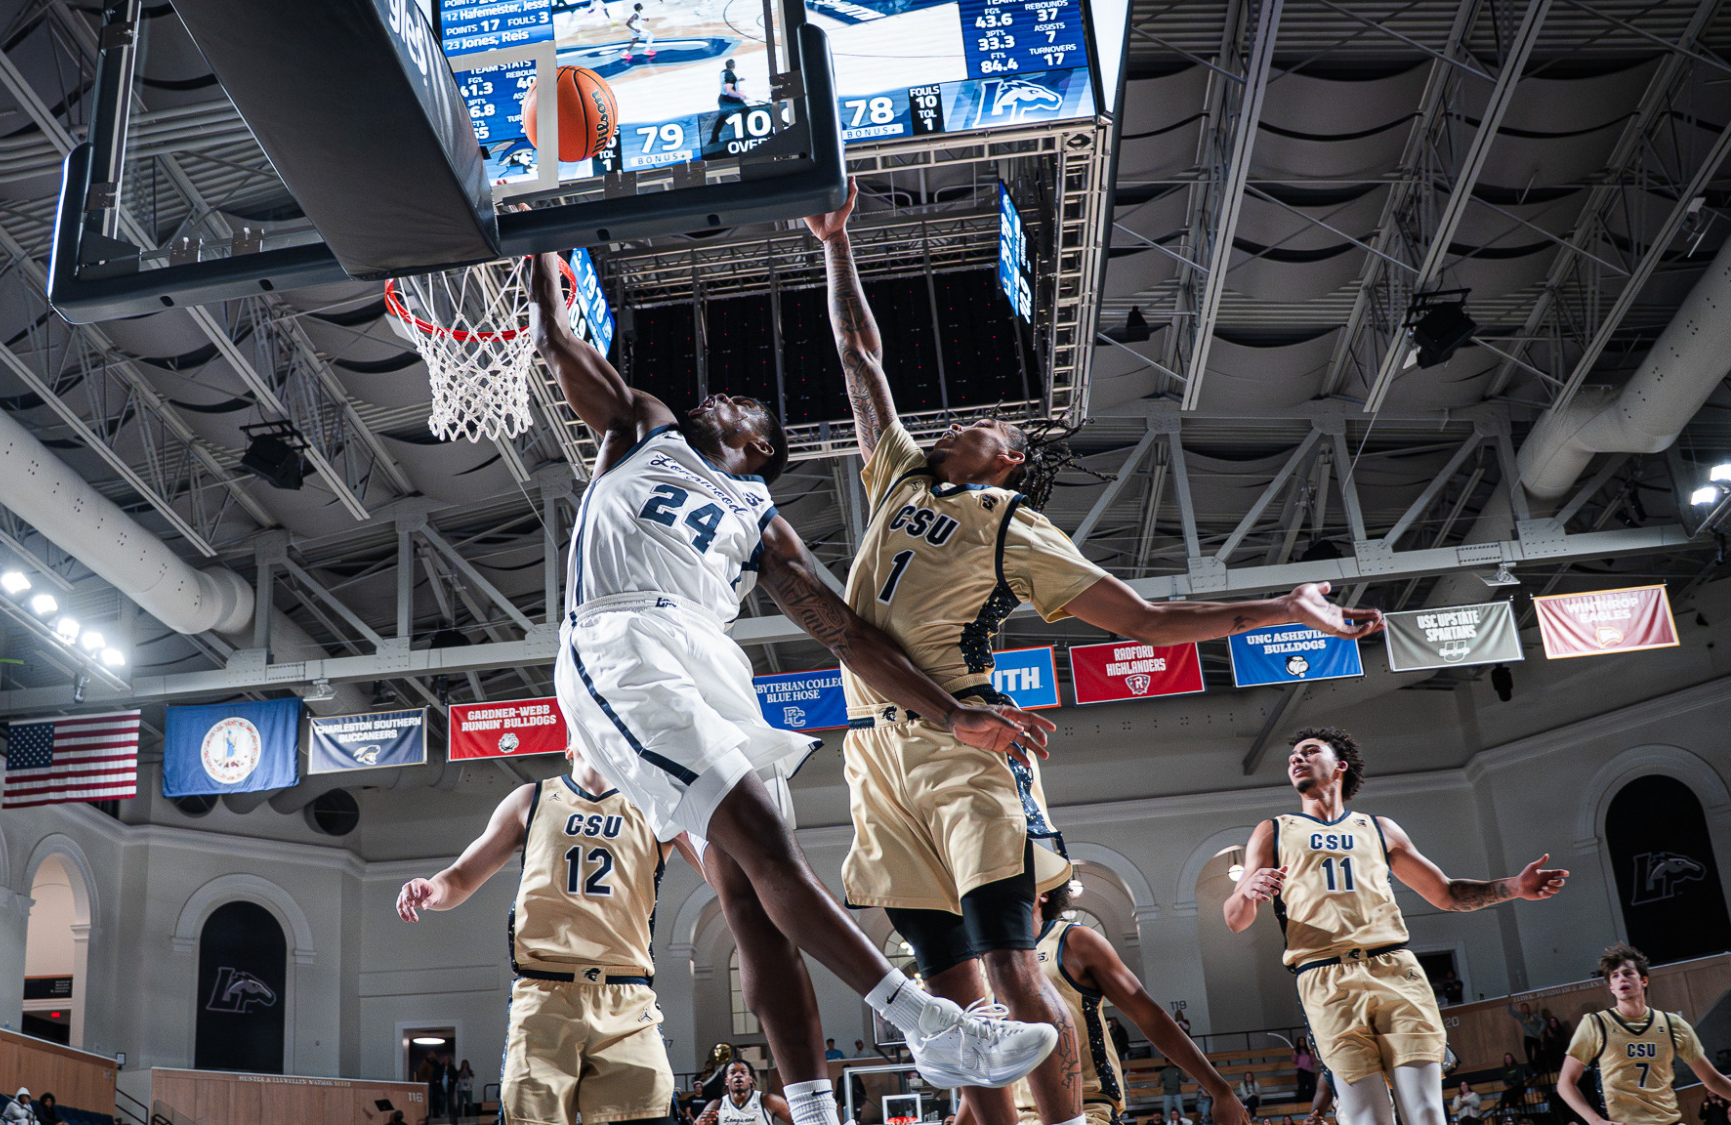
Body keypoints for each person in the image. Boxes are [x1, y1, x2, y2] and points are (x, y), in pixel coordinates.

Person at [801, 181, 1380, 1125]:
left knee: (1011, 966)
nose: (968, 420)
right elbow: (858, 355)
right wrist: (836, 244)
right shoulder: (899, 472)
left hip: (963, 752)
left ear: (1008, 459)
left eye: (991, 424)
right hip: (873, 758)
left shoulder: (1011, 525)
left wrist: (1282, 604)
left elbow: (1149, 622)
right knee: (957, 1014)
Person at [530, 252, 1062, 1124]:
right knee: (758, 831)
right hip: (621, 635)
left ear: (762, 444)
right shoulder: (647, 428)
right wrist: (543, 269)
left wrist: (951, 710)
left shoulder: (760, 519)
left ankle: (815, 1112)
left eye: (735, 405)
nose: (715, 400)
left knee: (756, 898)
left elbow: (847, 633)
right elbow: (560, 345)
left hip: (713, 658)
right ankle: (928, 1022)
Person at [1224, 729, 1568, 1125]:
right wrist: (1246, 892)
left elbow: (1447, 894)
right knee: (1366, 1116)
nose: (1295, 760)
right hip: (1324, 978)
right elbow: (1235, 920)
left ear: (1340, 766)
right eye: (1292, 758)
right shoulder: (1274, 830)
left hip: (1395, 970)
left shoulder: (1380, 829)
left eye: (1309, 751)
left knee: (1425, 1112)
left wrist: (1515, 887)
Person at [398, 749, 696, 1125]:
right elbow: (458, 878)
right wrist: (432, 889)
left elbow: (720, 870)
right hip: (544, 995)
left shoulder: (656, 804)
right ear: (570, 744)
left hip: (626, 997)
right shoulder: (531, 798)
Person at [1001, 888, 1244, 1125]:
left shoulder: (1074, 942)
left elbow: (1150, 1016)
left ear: (1043, 893)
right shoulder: (988, 964)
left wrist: (1219, 1090)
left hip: (1086, 1108)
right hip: (1018, 1113)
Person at [1556, 943, 1731, 1125]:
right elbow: (1565, 1083)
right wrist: (1595, 1120)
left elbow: (1712, 1080)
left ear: (1644, 980)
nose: (1621, 979)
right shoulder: (1595, 1024)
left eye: (1628, 973)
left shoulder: (1673, 1025)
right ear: (1611, 988)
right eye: (1615, 976)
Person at [700, 1060, 790, 1125]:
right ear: (726, 1081)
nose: (738, 1075)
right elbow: (699, 1122)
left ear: (750, 1079)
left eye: (743, 1072)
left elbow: (799, 1120)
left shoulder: (769, 1101)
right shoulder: (716, 1105)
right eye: (732, 1073)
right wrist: (701, 1122)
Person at [707, 59, 750, 144]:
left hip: (723, 99)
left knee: (722, 118)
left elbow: (727, 83)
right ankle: (743, 134)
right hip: (729, 100)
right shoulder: (730, 76)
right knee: (746, 111)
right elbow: (729, 91)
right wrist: (740, 95)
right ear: (734, 65)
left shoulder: (723, 72)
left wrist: (737, 81)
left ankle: (714, 138)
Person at [1494, 1053, 1524, 1119]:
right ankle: (1505, 1109)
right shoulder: (1505, 1070)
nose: (1508, 1059)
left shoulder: (1517, 1067)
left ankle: (1509, 1108)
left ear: (1512, 1058)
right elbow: (1505, 1080)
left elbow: (1520, 1078)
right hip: (1510, 1088)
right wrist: (1508, 1085)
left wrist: (1513, 1085)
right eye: (1506, 1058)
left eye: (1509, 1058)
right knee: (1507, 1093)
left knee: (1508, 1093)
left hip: (1519, 1087)